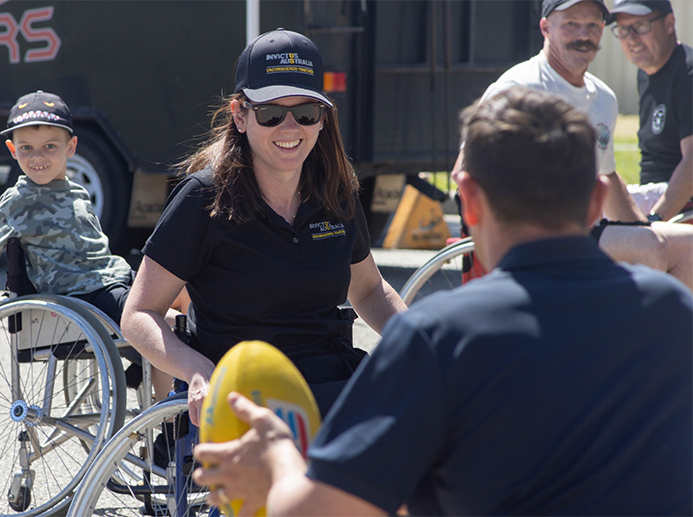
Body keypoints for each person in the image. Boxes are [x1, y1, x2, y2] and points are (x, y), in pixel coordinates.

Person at [192, 87, 693, 516]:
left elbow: (319, 510)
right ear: (593, 201)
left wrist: (278, 457)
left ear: (468, 200)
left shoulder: (441, 337)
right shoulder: (673, 310)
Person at [121, 29, 406, 427]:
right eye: (271, 114)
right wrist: (198, 371)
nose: (290, 128)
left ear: (323, 119)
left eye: (306, 112)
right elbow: (139, 313)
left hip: (332, 382)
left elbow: (369, 289)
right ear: (239, 115)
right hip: (243, 392)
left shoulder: (336, 194)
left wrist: (420, 342)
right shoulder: (203, 198)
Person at [0, 90, 178, 400]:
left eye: (50, 147)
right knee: (172, 325)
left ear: (71, 147)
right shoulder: (17, 201)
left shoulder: (78, 193)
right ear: (13, 150)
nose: (37, 157)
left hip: (111, 279)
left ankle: (144, 374)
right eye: (27, 148)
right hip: (83, 295)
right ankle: (168, 435)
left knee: (189, 294)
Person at [451, 0, 692, 289]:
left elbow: (607, 177)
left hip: (579, 229)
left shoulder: (604, 97)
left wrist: (643, 227)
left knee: (677, 244)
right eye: (571, 24)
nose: (583, 35)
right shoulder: (519, 87)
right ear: (545, 28)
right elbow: (463, 172)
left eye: (592, 25)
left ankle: (653, 332)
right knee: (655, 248)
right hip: (529, 235)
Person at [610, 0, 692, 221]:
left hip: (680, 208)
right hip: (654, 196)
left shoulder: (688, 73)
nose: (631, 38)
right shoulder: (646, 73)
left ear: (669, 23)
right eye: (623, 29)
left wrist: (655, 220)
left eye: (641, 25)